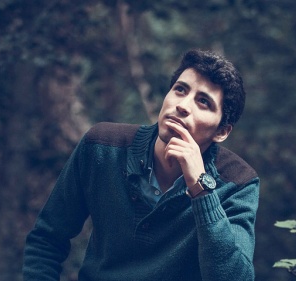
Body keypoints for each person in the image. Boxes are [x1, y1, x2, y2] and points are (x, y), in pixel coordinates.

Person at [23, 49, 259, 281]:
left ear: (222, 131)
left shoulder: (238, 182)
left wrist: (201, 189)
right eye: (180, 90)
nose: (183, 106)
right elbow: (46, 239)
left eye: (203, 102)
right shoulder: (102, 146)